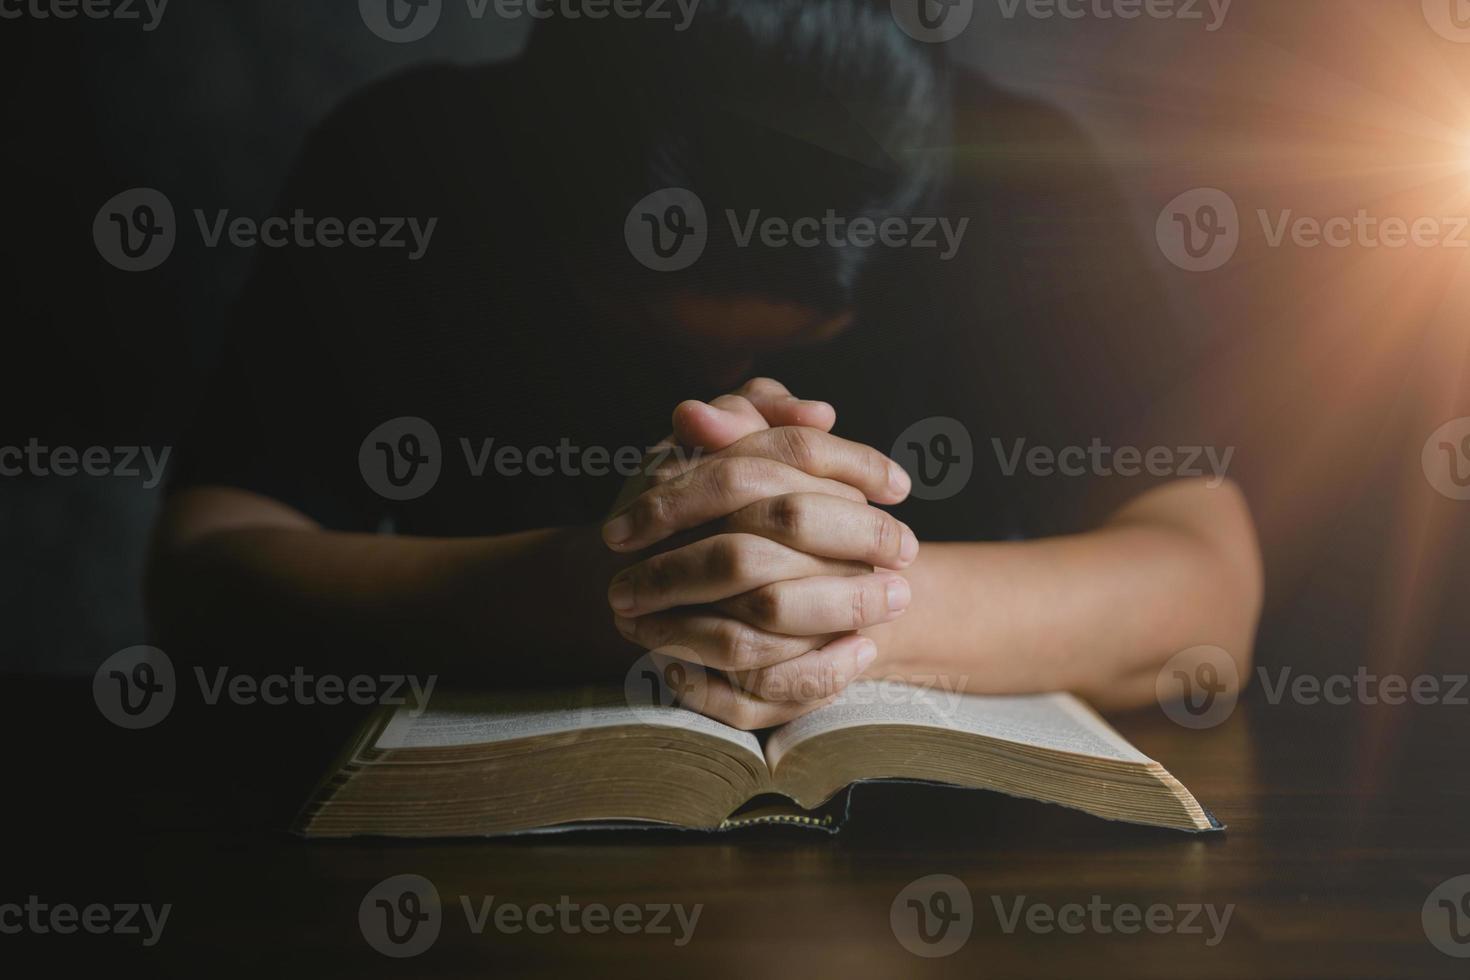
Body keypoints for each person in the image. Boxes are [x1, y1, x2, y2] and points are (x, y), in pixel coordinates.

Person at [147, 0, 1262, 729]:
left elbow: (1210, 585)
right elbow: (205, 570)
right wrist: (606, 587)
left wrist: (831, 607)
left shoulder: (1028, 179)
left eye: (788, 343)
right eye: (658, 328)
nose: (736, 393)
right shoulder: (400, 162)